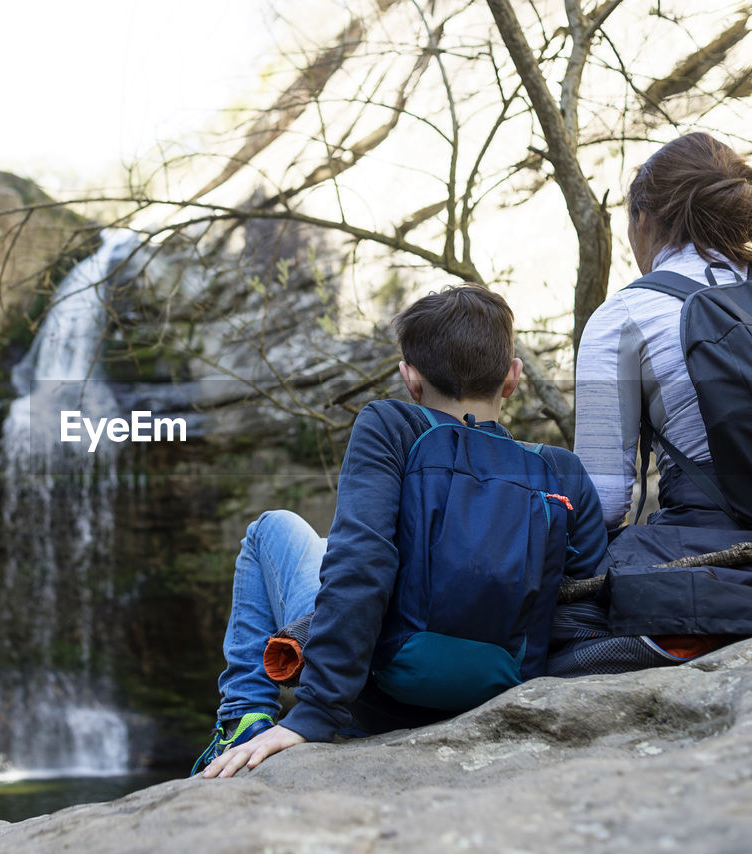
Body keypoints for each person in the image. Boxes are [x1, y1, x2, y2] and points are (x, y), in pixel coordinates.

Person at [197, 287, 607, 779]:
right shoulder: (561, 470)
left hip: (378, 702)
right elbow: (585, 609)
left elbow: (362, 561)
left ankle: (243, 721)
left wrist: (316, 713)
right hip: (502, 698)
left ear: (409, 378)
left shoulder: (391, 425)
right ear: (513, 377)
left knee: (271, 529)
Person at [562, 132, 752, 673]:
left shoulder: (625, 314)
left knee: (552, 622)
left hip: (711, 575)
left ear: (644, 217)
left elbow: (605, 503)